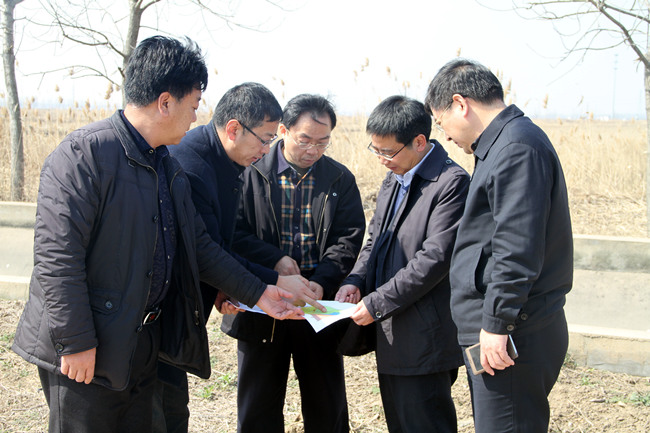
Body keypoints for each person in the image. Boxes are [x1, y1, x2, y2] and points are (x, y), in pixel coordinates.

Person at [11, 36, 316, 433]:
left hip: (142, 340)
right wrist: (76, 341)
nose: (195, 117)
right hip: (90, 345)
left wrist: (259, 292)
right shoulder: (84, 155)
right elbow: (57, 259)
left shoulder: (166, 165)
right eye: (194, 104)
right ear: (166, 102)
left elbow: (200, 247)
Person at [424, 59, 573, 433]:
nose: (447, 137)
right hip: (502, 329)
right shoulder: (501, 145)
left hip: (512, 331)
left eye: (441, 123)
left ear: (460, 104)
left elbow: (516, 247)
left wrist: (495, 323)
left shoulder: (516, 148)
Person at [155, 82, 304, 432]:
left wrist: (234, 282)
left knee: (171, 411)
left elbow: (225, 237)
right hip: (161, 316)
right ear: (234, 128)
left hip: (176, 314)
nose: (267, 150)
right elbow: (205, 250)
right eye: (265, 139)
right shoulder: (192, 166)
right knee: (162, 412)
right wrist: (270, 284)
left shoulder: (225, 160)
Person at [224, 94, 366, 433]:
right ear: (283, 131)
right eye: (305, 140)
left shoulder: (339, 179)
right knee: (258, 405)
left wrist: (323, 281)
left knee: (326, 403)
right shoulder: (249, 170)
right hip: (261, 299)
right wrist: (273, 260)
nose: (313, 149)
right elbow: (231, 232)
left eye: (323, 141)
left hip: (316, 304)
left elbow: (348, 238)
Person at [334, 95, 470, 433]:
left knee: (425, 423)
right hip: (392, 328)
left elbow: (434, 259)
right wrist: (355, 280)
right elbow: (375, 239)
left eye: (388, 152)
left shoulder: (450, 183)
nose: (382, 160)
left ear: (419, 142)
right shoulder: (395, 177)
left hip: (425, 334)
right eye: (376, 150)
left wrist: (377, 302)